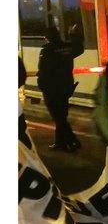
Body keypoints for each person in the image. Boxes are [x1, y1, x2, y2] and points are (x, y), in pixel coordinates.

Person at [37, 22, 84, 151]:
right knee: (61, 115)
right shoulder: (67, 48)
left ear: (47, 37)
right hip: (66, 86)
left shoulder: (47, 50)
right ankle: (60, 142)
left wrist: (41, 85)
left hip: (51, 89)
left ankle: (73, 141)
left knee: (58, 117)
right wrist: (73, 35)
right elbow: (79, 48)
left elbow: (43, 71)